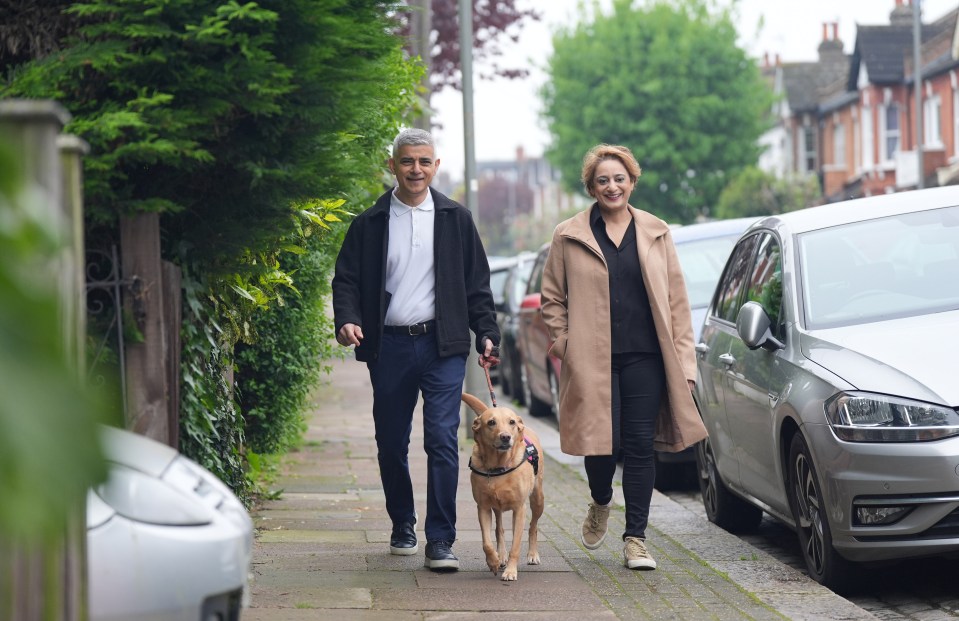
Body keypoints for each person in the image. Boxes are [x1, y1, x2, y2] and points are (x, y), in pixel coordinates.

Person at [331, 128, 500, 571]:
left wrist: (486, 332)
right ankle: (402, 522)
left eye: (424, 162)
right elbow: (346, 279)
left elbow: (477, 285)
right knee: (391, 442)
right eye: (407, 161)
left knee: (443, 439)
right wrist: (348, 319)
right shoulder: (369, 223)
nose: (416, 170)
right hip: (388, 346)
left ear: (436, 166)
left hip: (442, 345)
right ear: (392, 166)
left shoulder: (455, 219)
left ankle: (441, 540)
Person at [539, 144, 707, 570]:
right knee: (600, 444)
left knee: (638, 446)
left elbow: (677, 304)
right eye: (603, 180)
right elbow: (552, 299)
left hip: (646, 357)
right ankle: (600, 499)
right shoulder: (569, 234)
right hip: (592, 359)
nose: (612, 186)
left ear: (632, 181)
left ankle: (636, 539)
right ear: (592, 188)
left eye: (619, 178)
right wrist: (565, 345)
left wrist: (685, 366)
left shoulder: (656, 232)